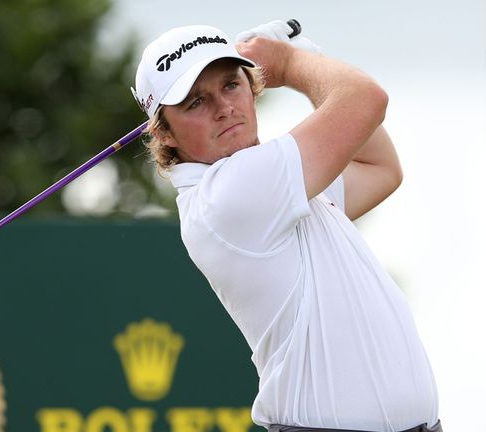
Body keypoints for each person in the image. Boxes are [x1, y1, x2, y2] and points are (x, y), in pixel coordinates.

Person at [131, 21, 441, 432]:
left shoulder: (273, 186)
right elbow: (366, 99)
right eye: (195, 103)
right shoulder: (230, 194)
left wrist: (308, 66)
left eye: (231, 85)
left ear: (251, 86)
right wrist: (295, 63)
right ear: (163, 133)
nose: (224, 107)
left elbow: (380, 168)